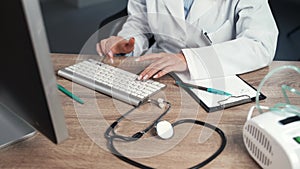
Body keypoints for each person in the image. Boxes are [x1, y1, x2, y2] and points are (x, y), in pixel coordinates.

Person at [96, 0, 278, 81]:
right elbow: (140, 21)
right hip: (156, 74)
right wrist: (127, 42)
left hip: (218, 75)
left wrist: (187, 59)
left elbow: (260, 45)